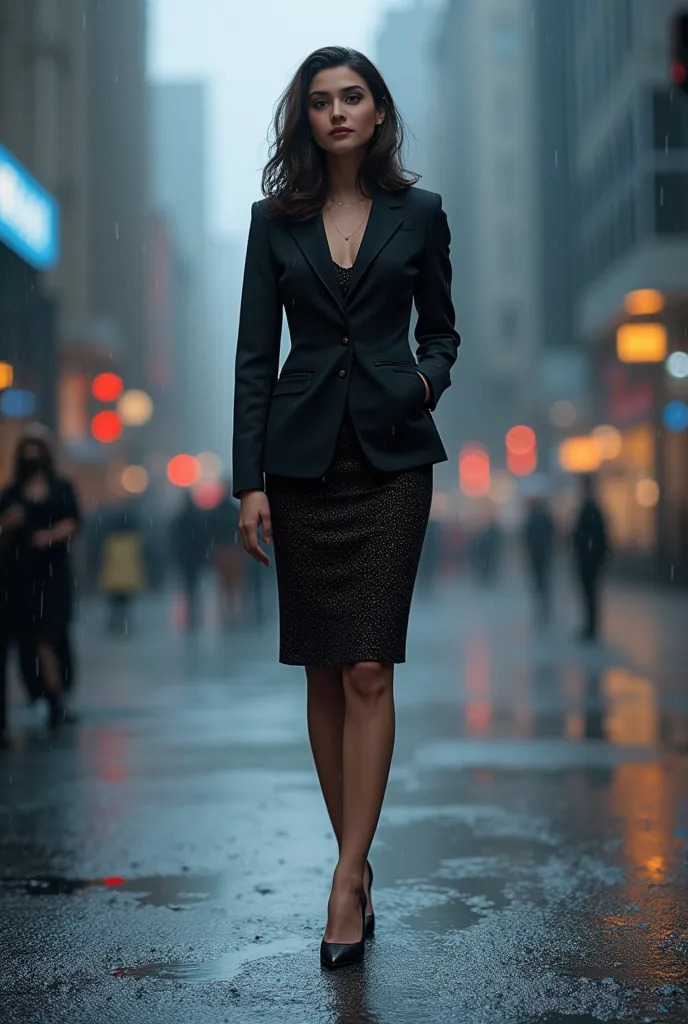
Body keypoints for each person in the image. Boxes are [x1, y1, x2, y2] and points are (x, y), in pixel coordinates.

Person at [232, 47, 460, 968]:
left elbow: (442, 329)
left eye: (351, 96)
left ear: (376, 112)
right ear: (307, 118)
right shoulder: (271, 222)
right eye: (320, 101)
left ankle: (345, 876)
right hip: (298, 464)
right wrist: (248, 480)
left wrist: (423, 382)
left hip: (393, 460)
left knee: (370, 666)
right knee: (323, 672)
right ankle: (356, 868)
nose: (336, 112)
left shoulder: (423, 213)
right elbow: (254, 358)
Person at [0, 427, 81, 734]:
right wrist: (8, 525)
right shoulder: (11, 493)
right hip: (20, 576)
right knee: (28, 639)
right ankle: (44, 695)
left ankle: (58, 694)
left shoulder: (61, 488)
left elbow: (73, 521)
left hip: (54, 574)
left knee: (52, 634)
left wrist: (51, 536)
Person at [571, 474, 610, 641]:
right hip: (588, 560)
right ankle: (590, 626)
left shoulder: (591, 509)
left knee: (590, 595)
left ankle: (591, 628)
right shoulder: (589, 508)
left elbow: (597, 537)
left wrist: (593, 557)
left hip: (589, 561)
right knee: (589, 595)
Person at [98, 505, 146, 634]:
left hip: (114, 578)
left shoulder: (110, 541)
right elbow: (138, 561)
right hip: (128, 578)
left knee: (114, 602)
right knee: (125, 602)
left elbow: (105, 560)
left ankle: (114, 623)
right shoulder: (134, 541)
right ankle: (124, 622)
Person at [171, 492, 209, 630]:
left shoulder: (180, 518)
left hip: (185, 556)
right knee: (195, 582)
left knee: (188, 583)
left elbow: (174, 538)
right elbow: (203, 537)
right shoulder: (197, 517)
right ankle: (194, 607)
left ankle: (190, 607)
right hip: (195, 556)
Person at [523, 497, 556, 626]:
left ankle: (542, 603)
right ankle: (544, 603)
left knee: (540, 580)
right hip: (543, 555)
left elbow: (528, 537)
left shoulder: (533, 519)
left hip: (538, 555)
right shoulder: (545, 518)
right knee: (543, 580)